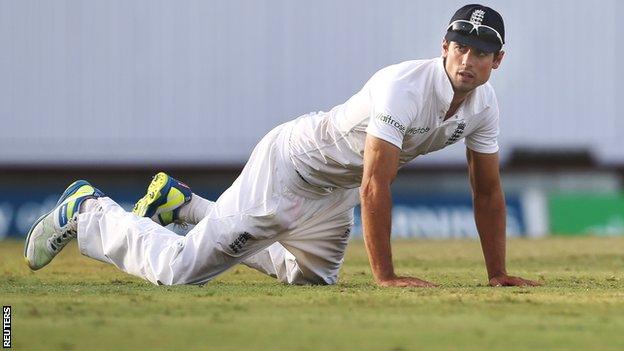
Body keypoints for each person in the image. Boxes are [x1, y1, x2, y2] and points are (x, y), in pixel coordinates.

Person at [24, 4, 540, 288]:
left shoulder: (484, 105)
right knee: (180, 271)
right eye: (460, 48)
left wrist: (497, 274)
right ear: (443, 47)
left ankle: (183, 206)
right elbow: (374, 184)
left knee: (308, 278)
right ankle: (89, 211)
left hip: (332, 189)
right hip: (292, 169)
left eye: (481, 53)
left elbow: (488, 193)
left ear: (499, 60)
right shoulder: (403, 88)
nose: (467, 61)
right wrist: (387, 278)